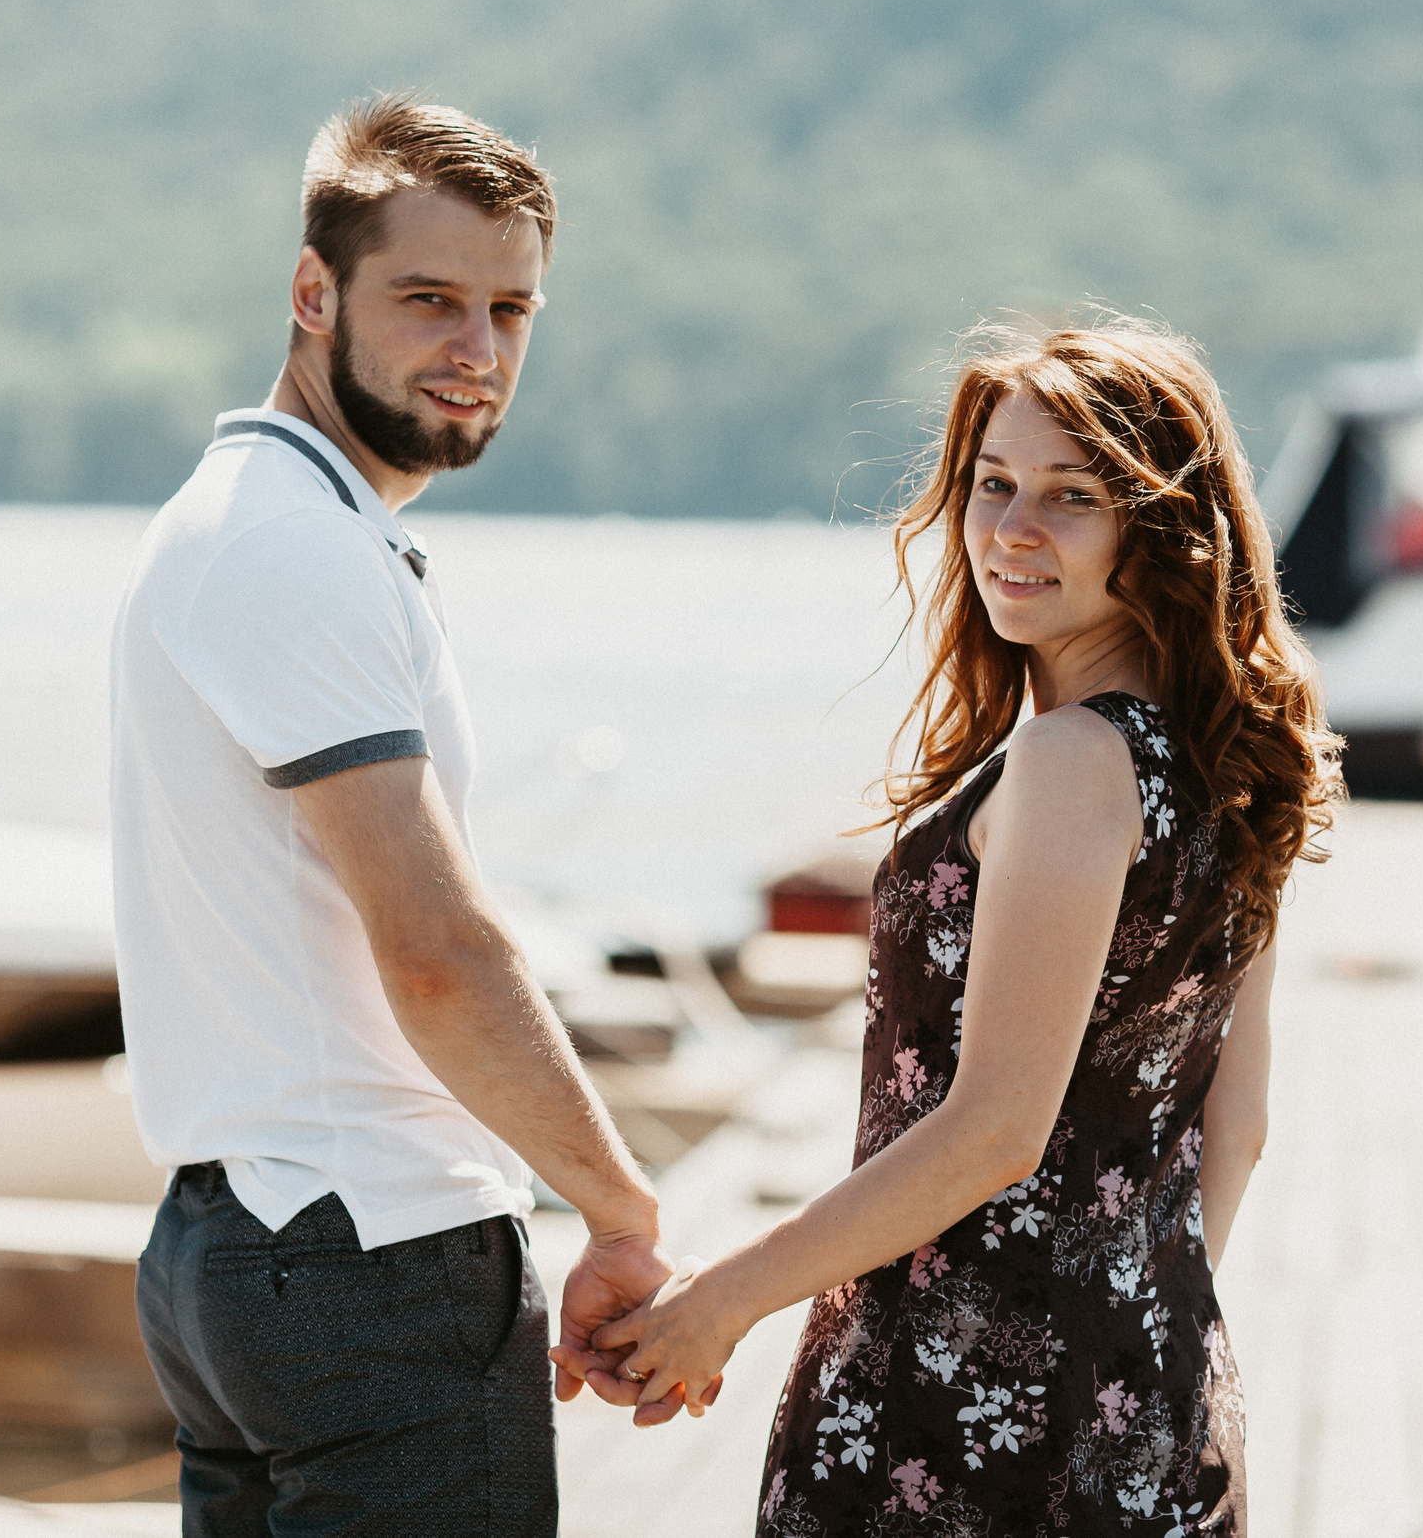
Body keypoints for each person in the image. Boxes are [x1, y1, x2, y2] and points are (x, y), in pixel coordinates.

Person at [557, 317, 1343, 1535]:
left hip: (953, 1402)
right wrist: (1124, 1341)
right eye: (992, 485)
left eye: (1070, 495)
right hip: (1148, 1385)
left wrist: (721, 1302)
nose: (1012, 528)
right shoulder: (1227, 762)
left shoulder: (1072, 760)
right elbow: (1234, 1128)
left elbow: (991, 1133)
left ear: (1162, 527)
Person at [110, 95, 684, 1537]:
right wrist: (619, 1208)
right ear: (314, 293)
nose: (477, 352)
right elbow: (435, 946)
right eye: (429, 299)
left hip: (235, 1243)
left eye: (510, 309)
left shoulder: (248, 517)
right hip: (371, 1253)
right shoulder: (294, 545)